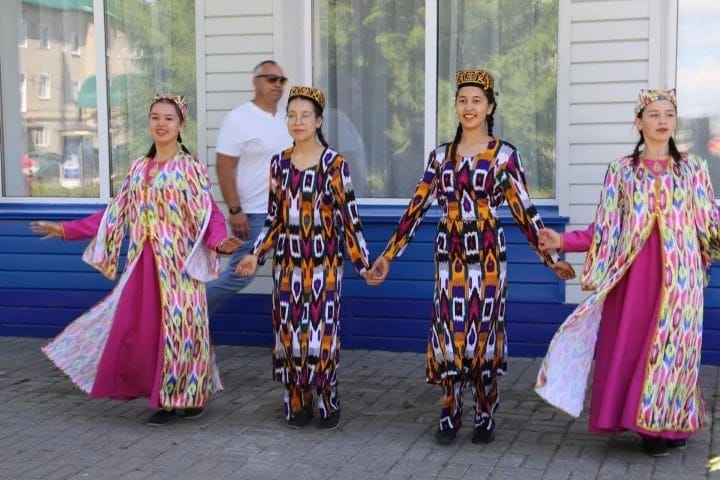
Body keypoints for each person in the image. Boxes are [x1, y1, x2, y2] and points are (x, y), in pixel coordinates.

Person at [365, 69, 575, 445]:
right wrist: (388, 256)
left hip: (489, 253)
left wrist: (552, 258)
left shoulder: (504, 156)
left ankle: (485, 411)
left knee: (484, 331)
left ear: (490, 107)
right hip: (449, 254)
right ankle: (450, 410)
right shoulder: (439, 157)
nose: (469, 107)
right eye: (462, 100)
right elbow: (415, 209)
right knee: (450, 331)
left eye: (477, 100)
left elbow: (525, 211)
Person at [30, 94, 242, 426]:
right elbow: (114, 214)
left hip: (180, 269)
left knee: (183, 331)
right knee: (145, 332)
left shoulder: (190, 168)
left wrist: (219, 241)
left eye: (169, 118)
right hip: (144, 266)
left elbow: (209, 213)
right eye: (155, 117)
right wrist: (67, 230)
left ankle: (188, 397)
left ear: (181, 125)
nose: (161, 123)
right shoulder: (138, 169)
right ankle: (164, 398)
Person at [535, 89, 720, 457]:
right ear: (638, 122)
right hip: (633, 276)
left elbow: (709, 223)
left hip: (681, 279)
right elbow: (605, 227)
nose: (663, 120)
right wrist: (564, 240)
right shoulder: (621, 170)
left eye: (669, 114)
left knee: (675, 350)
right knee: (637, 345)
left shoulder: (694, 168)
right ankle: (646, 426)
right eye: (654, 114)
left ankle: (669, 423)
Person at [235, 85, 371, 430]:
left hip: (324, 264)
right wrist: (255, 254)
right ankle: (297, 399)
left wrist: (364, 264)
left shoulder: (335, 164)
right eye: (292, 115)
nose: (298, 121)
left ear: (319, 121)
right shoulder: (279, 163)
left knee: (321, 334)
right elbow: (274, 218)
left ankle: (328, 399)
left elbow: (350, 219)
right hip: (287, 265)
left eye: (305, 115)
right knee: (290, 332)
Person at [206, 60, 293, 314]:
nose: (277, 85)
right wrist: (235, 210)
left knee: (293, 275)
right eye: (271, 79)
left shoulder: (287, 119)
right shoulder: (240, 118)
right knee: (238, 275)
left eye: (281, 80)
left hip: (291, 213)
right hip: (256, 213)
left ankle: (291, 332)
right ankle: (185, 317)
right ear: (256, 82)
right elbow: (224, 166)